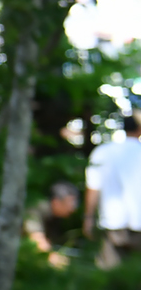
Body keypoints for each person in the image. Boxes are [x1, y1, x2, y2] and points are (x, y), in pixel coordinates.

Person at [86, 113, 141, 270]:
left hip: (112, 222)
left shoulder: (103, 152)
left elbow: (93, 188)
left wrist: (88, 218)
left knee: (110, 274)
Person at [23, 180, 79, 267]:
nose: (73, 209)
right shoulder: (35, 209)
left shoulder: (56, 217)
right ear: (56, 202)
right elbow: (36, 240)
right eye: (70, 203)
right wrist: (54, 258)